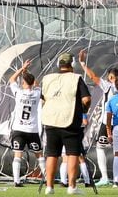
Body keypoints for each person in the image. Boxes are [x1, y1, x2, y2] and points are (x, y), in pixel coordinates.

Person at [41, 52, 92, 196]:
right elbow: (86, 99)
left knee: (51, 154)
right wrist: (83, 111)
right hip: (70, 121)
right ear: (72, 64)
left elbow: (43, 99)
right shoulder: (76, 78)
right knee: (72, 154)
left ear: (59, 64)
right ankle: (72, 186)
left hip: (50, 121)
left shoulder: (47, 78)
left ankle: (49, 187)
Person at [80, 49, 118, 186]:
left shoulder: (108, 86)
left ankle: (105, 177)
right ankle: (116, 179)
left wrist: (83, 63)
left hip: (107, 122)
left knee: (100, 148)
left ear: (112, 78)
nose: (108, 78)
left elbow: (92, 76)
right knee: (117, 150)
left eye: (109, 77)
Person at [7, 59, 45, 187]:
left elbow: (11, 79)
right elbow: (36, 84)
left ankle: (17, 181)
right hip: (32, 130)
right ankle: (46, 179)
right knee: (40, 155)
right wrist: (27, 73)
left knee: (17, 156)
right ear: (32, 83)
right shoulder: (37, 93)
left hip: (19, 129)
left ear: (23, 83)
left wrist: (22, 69)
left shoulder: (19, 93)